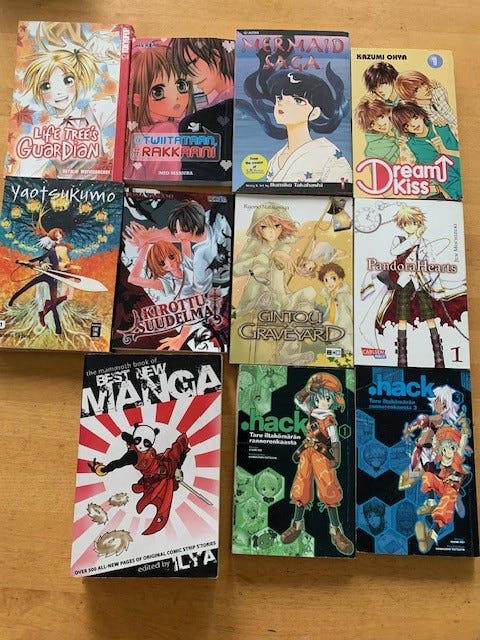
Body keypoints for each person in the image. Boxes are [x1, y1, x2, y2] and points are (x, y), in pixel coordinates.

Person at [370, 205, 467, 367]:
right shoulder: (400, 240)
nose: (410, 226)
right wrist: (415, 237)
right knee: (402, 317)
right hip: (403, 283)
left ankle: (438, 356)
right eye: (406, 223)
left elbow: (433, 264)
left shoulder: (425, 243)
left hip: (422, 283)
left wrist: (436, 287)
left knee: (430, 316)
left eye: (414, 223)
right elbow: (395, 251)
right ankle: (402, 358)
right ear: (402, 225)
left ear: (419, 223)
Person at [233, 201, 316, 364]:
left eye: (276, 226)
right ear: (257, 227)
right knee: (264, 275)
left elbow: (290, 270)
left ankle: (287, 351)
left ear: (283, 226)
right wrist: (266, 257)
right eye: (264, 227)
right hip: (258, 296)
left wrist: (304, 269)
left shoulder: (284, 246)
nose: (271, 231)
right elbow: (236, 269)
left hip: (280, 298)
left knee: (310, 293)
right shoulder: (255, 245)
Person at [281, 372, 354, 555]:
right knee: (301, 486)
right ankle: (297, 525)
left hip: (322, 455)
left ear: (333, 400)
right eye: (320, 397)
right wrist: (306, 390)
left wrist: (337, 457)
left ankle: (336, 531)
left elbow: (335, 440)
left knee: (329, 488)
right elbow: (298, 399)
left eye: (328, 398)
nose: (324, 401)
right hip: (307, 452)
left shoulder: (330, 420)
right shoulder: (312, 411)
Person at [19, 45, 115, 178]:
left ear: (78, 82)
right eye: (46, 86)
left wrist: (113, 60)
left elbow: (125, 105)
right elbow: (27, 175)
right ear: (39, 93)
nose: (59, 92)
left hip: (103, 187)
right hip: (67, 189)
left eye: (68, 80)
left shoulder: (95, 111)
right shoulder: (43, 134)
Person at [90, 425, 190, 535]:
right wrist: (105, 469)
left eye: (146, 443)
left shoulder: (136, 446)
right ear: (134, 440)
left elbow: (125, 436)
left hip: (162, 465)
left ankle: (172, 471)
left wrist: (178, 469)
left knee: (178, 451)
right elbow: (119, 463)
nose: (141, 445)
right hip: (156, 476)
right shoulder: (132, 455)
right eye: (138, 441)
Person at [124, 43, 195, 181]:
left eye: (181, 85)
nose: (176, 96)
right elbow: (170, 181)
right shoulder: (166, 131)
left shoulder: (137, 132)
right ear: (137, 99)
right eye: (158, 92)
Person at [171, 37, 235, 182]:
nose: (189, 78)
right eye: (184, 70)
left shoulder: (198, 121)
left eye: (192, 63)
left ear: (215, 55)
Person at [415, 418, 471, 554]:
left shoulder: (457, 457)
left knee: (447, 501)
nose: (449, 452)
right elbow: (434, 441)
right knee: (428, 476)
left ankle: (432, 535)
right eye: (445, 448)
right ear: (442, 449)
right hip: (441, 484)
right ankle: (430, 503)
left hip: (451, 489)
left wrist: (464, 426)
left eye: (452, 447)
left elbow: (463, 441)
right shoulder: (439, 456)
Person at [391, 101, 461, 199]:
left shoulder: (443, 126)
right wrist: (438, 190)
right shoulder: (409, 145)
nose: (413, 125)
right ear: (404, 129)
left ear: (421, 115)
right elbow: (408, 176)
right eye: (406, 125)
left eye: (414, 118)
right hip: (453, 196)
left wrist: (446, 151)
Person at [8, 228, 70, 334]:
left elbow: (58, 262)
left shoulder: (59, 249)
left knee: (53, 304)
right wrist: (24, 262)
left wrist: (62, 267)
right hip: (46, 274)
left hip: (54, 277)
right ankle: (12, 300)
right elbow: (40, 258)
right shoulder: (50, 251)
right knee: (27, 286)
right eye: (56, 236)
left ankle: (58, 328)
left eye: (59, 235)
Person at [399, 385, 461, 490]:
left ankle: (448, 482)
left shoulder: (440, 419)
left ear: (444, 404)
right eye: (435, 400)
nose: (434, 403)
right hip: (424, 450)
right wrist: (410, 430)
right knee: (418, 470)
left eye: (437, 400)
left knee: (426, 471)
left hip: (431, 451)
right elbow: (421, 422)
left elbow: (422, 421)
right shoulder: (438, 420)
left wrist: (410, 429)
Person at [394, 70, 458, 137]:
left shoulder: (438, 91)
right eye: (416, 90)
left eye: (423, 84)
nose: (425, 88)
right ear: (411, 97)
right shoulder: (418, 113)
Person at [355, 98, 414, 164]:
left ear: (387, 112)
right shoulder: (373, 149)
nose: (379, 124)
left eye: (381, 117)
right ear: (369, 127)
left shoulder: (402, 121)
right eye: (372, 123)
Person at [317, 262, 353, 354]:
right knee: (336, 351)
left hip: (345, 328)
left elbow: (354, 307)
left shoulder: (344, 295)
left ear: (340, 279)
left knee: (348, 350)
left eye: (333, 278)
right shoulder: (330, 296)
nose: (329, 283)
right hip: (334, 327)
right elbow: (332, 313)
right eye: (326, 280)